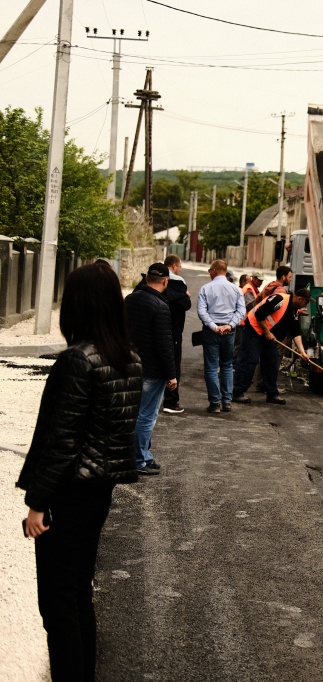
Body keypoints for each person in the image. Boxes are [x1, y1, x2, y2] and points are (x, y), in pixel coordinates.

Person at [17, 262, 142, 682]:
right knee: (78, 595)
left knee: (56, 604)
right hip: (100, 490)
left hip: (68, 493)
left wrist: (37, 502)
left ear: (77, 305)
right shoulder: (128, 359)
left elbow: (61, 438)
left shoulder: (76, 360)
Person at [124, 262, 177, 475]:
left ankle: (135, 455)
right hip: (152, 370)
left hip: (129, 365)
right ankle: (140, 459)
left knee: (132, 413)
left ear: (147, 279)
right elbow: (164, 344)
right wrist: (172, 375)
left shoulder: (129, 300)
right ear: (165, 281)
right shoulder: (161, 307)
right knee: (146, 416)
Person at [234, 288, 311, 406]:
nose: (306, 305)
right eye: (306, 302)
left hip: (268, 336)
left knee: (272, 362)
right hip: (254, 331)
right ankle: (238, 392)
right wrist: (267, 332)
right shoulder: (279, 299)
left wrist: (302, 352)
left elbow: (295, 331)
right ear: (300, 299)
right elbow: (260, 313)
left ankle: (272, 393)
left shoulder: (294, 310)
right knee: (249, 360)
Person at [197, 259, 246, 414]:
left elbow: (202, 311)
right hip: (229, 331)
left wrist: (214, 327)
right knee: (227, 365)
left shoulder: (206, 288)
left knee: (211, 367)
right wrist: (230, 325)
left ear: (214, 270)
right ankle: (227, 401)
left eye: (210, 270)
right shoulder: (236, 290)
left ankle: (215, 403)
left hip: (212, 331)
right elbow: (241, 311)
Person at [160, 254, 191, 414]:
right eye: (179, 266)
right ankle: (171, 401)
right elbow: (185, 304)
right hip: (172, 331)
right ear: (174, 266)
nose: (180, 269)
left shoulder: (147, 284)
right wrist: (184, 295)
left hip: (152, 332)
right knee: (172, 365)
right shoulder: (178, 284)